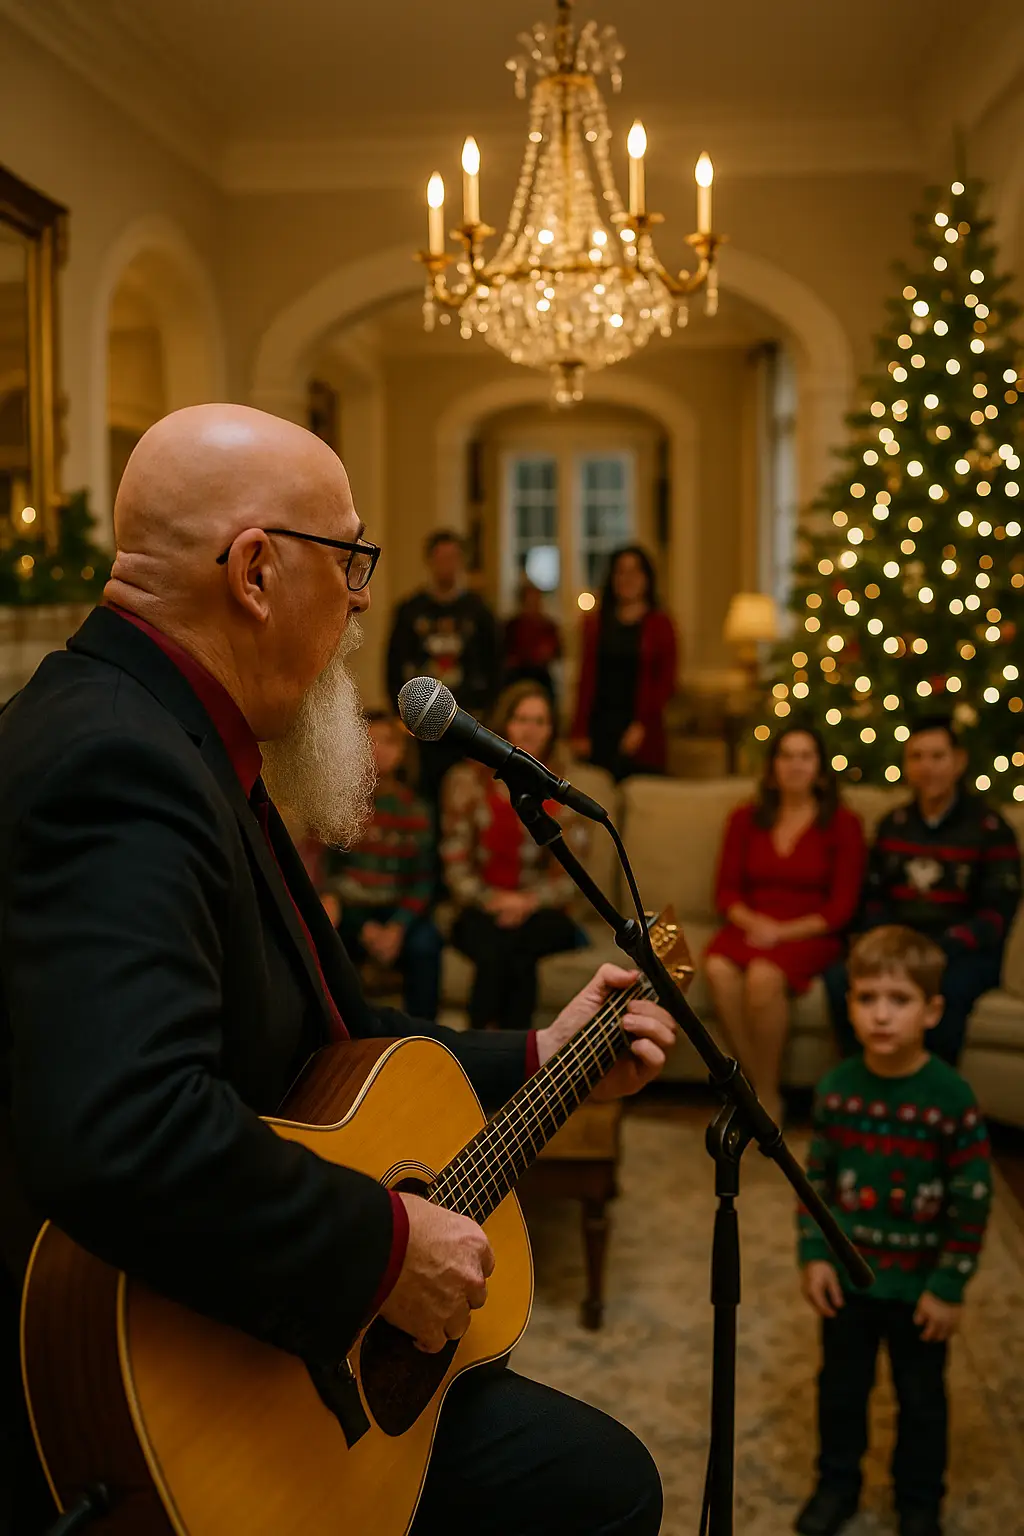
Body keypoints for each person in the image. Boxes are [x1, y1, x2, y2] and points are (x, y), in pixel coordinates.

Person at [0, 405, 676, 1536]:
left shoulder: (178, 734)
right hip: (154, 1374)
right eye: (350, 558)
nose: (365, 599)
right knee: (597, 1492)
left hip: (241, 1325)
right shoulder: (119, 765)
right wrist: (385, 1248)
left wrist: (535, 1056)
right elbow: (127, 1128)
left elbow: (329, 1045)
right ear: (257, 571)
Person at [795, 926, 992, 1536]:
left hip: (917, 1289)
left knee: (922, 1402)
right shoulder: (836, 1090)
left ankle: (918, 1501)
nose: (880, 1014)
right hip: (850, 1283)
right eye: (866, 997)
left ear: (932, 1010)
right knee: (841, 1394)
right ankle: (837, 1484)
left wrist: (950, 1284)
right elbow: (815, 1185)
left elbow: (972, 1199)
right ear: (848, 1003)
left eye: (899, 999)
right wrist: (814, 1255)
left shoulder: (950, 1097)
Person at [825, 715, 1021, 1066]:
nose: (926, 767)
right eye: (916, 757)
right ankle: (863, 1086)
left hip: (959, 950)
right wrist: (888, 939)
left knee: (948, 992)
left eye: (936, 756)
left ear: (958, 762)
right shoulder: (893, 824)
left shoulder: (989, 827)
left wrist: (942, 948)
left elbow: (996, 913)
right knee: (840, 977)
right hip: (897, 943)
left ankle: (929, 1096)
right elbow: (871, 897)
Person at [704, 727, 865, 1121]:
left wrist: (781, 933)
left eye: (805, 756)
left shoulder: (844, 824)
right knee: (717, 968)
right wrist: (755, 923)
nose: (795, 765)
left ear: (821, 769)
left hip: (810, 932)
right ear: (772, 767)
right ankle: (752, 1087)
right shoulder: (744, 818)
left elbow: (840, 909)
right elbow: (726, 894)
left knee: (762, 976)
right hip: (752, 923)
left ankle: (769, 1097)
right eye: (786, 756)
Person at [442, 681, 587, 1032]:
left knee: (519, 946)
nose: (531, 729)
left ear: (552, 730)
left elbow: (572, 875)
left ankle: (493, 1053)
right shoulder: (465, 781)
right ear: (504, 723)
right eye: (522, 719)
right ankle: (502, 1054)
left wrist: (526, 902)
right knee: (500, 949)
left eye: (540, 721)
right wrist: (492, 899)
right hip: (479, 907)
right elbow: (454, 860)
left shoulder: (564, 788)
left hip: (541, 911)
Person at [322, 711, 442, 1021]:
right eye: (369, 741)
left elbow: (424, 880)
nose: (378, 750)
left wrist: (397, 927)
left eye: (388, 742)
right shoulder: (339, 804)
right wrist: (362, 926)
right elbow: (328, 869)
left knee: (426, 945)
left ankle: (423, 1036)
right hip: (352, 908)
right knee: (326, 935)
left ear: (402, 752)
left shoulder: (415, 809)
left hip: (396, 910)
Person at [386, 530, 500, 804]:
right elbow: (392, 666)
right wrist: (399, 715)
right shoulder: (410, 610)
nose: (447, 564)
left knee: (463, 796)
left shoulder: (480, 611)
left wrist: (489, 715)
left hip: (467, 723)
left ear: (461, 561)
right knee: (423, 796)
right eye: (441, 558)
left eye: (453, 558)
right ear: (430, 561)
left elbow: (496, 666)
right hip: (421, 726)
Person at [570, 544, 677, 781]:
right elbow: (586, 679)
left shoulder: (660, 625)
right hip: (600, 727)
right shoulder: (595, 623)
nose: (628, 579)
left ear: (647, 578)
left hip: (642, 729)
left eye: (635, 572)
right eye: (621, 572)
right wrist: (579, 730)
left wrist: (642, 726)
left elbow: (666, 683)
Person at [501, 579, 562, 702]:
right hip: (517, 679)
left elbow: (558, 652)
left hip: (541, 678)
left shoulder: (548, 626)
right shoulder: (512, 626)